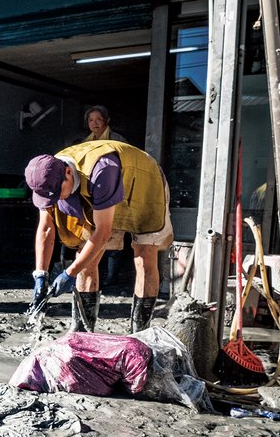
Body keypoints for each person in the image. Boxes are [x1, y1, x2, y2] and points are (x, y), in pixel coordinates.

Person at [25, 140, 173, 333]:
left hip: (142, 183)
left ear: (68, 173)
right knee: (85, 261)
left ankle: (139, 332)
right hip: (100, 193)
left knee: (144, 255)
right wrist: (41, 274)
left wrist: (69, 273)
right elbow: (46, 228)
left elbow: (103, 232)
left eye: (57, 193)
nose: (56, 200)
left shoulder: (102, 171)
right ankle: (82, 332)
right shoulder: (47, 174)